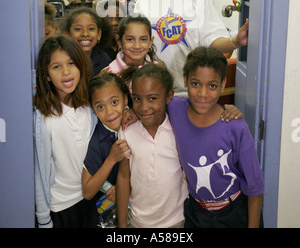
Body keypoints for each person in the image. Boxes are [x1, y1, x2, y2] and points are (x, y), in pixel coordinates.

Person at [133, 0, 248, 95]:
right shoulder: (142, 0)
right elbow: (134, 44)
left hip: (190, 90)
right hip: (152, 88)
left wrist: (235, 41)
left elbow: (212, 40)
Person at [167, 46, 264, 228]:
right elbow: (150, 104)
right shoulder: (174, 108)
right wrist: (130, 113)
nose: (203, 94)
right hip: (197, 212)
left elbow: (255, 188)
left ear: (223, 84)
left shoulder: (236, 128)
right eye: (195, 84)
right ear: (185, 79)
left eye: (212, 86)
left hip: (234, 213)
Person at [33, 36, 98, 228]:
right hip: (61, 206)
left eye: (71, 63)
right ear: (46, 75)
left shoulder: (91, 106)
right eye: (56, 67)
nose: (66, 72)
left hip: (92, 197)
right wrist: (43, 217)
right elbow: (39, 170)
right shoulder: (43, 117)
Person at [116, 64, 188, 228]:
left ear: (169, 96)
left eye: (152, 98)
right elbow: (123, 177)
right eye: (137, 99)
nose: (143, 107)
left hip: (177, 220)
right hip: (138, 221)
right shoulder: (127, 132)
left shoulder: (178, 129)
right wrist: (121, 224)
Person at [82, 74, 132, 205]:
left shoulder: (139, 123)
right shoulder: (97, 141)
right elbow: (87, 192)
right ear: (93, 110)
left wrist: (124, 187)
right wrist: (111, 159)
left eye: (114, 102)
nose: (109, 112)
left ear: (125, 99)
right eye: (100, 107)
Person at [100, 14, 161, 91]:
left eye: (143, 39)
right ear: (119, 42)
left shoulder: (158, 69)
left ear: (150, 42)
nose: (137, 46)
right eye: (130, 39)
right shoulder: (109, 73)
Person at [63, 7, 111, 76]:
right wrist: (96, 82)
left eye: (91, 29)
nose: (85, 34)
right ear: (67, 34)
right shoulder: (63, 60)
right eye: (78, 29)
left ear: (99, 34)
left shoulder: (103, 59)